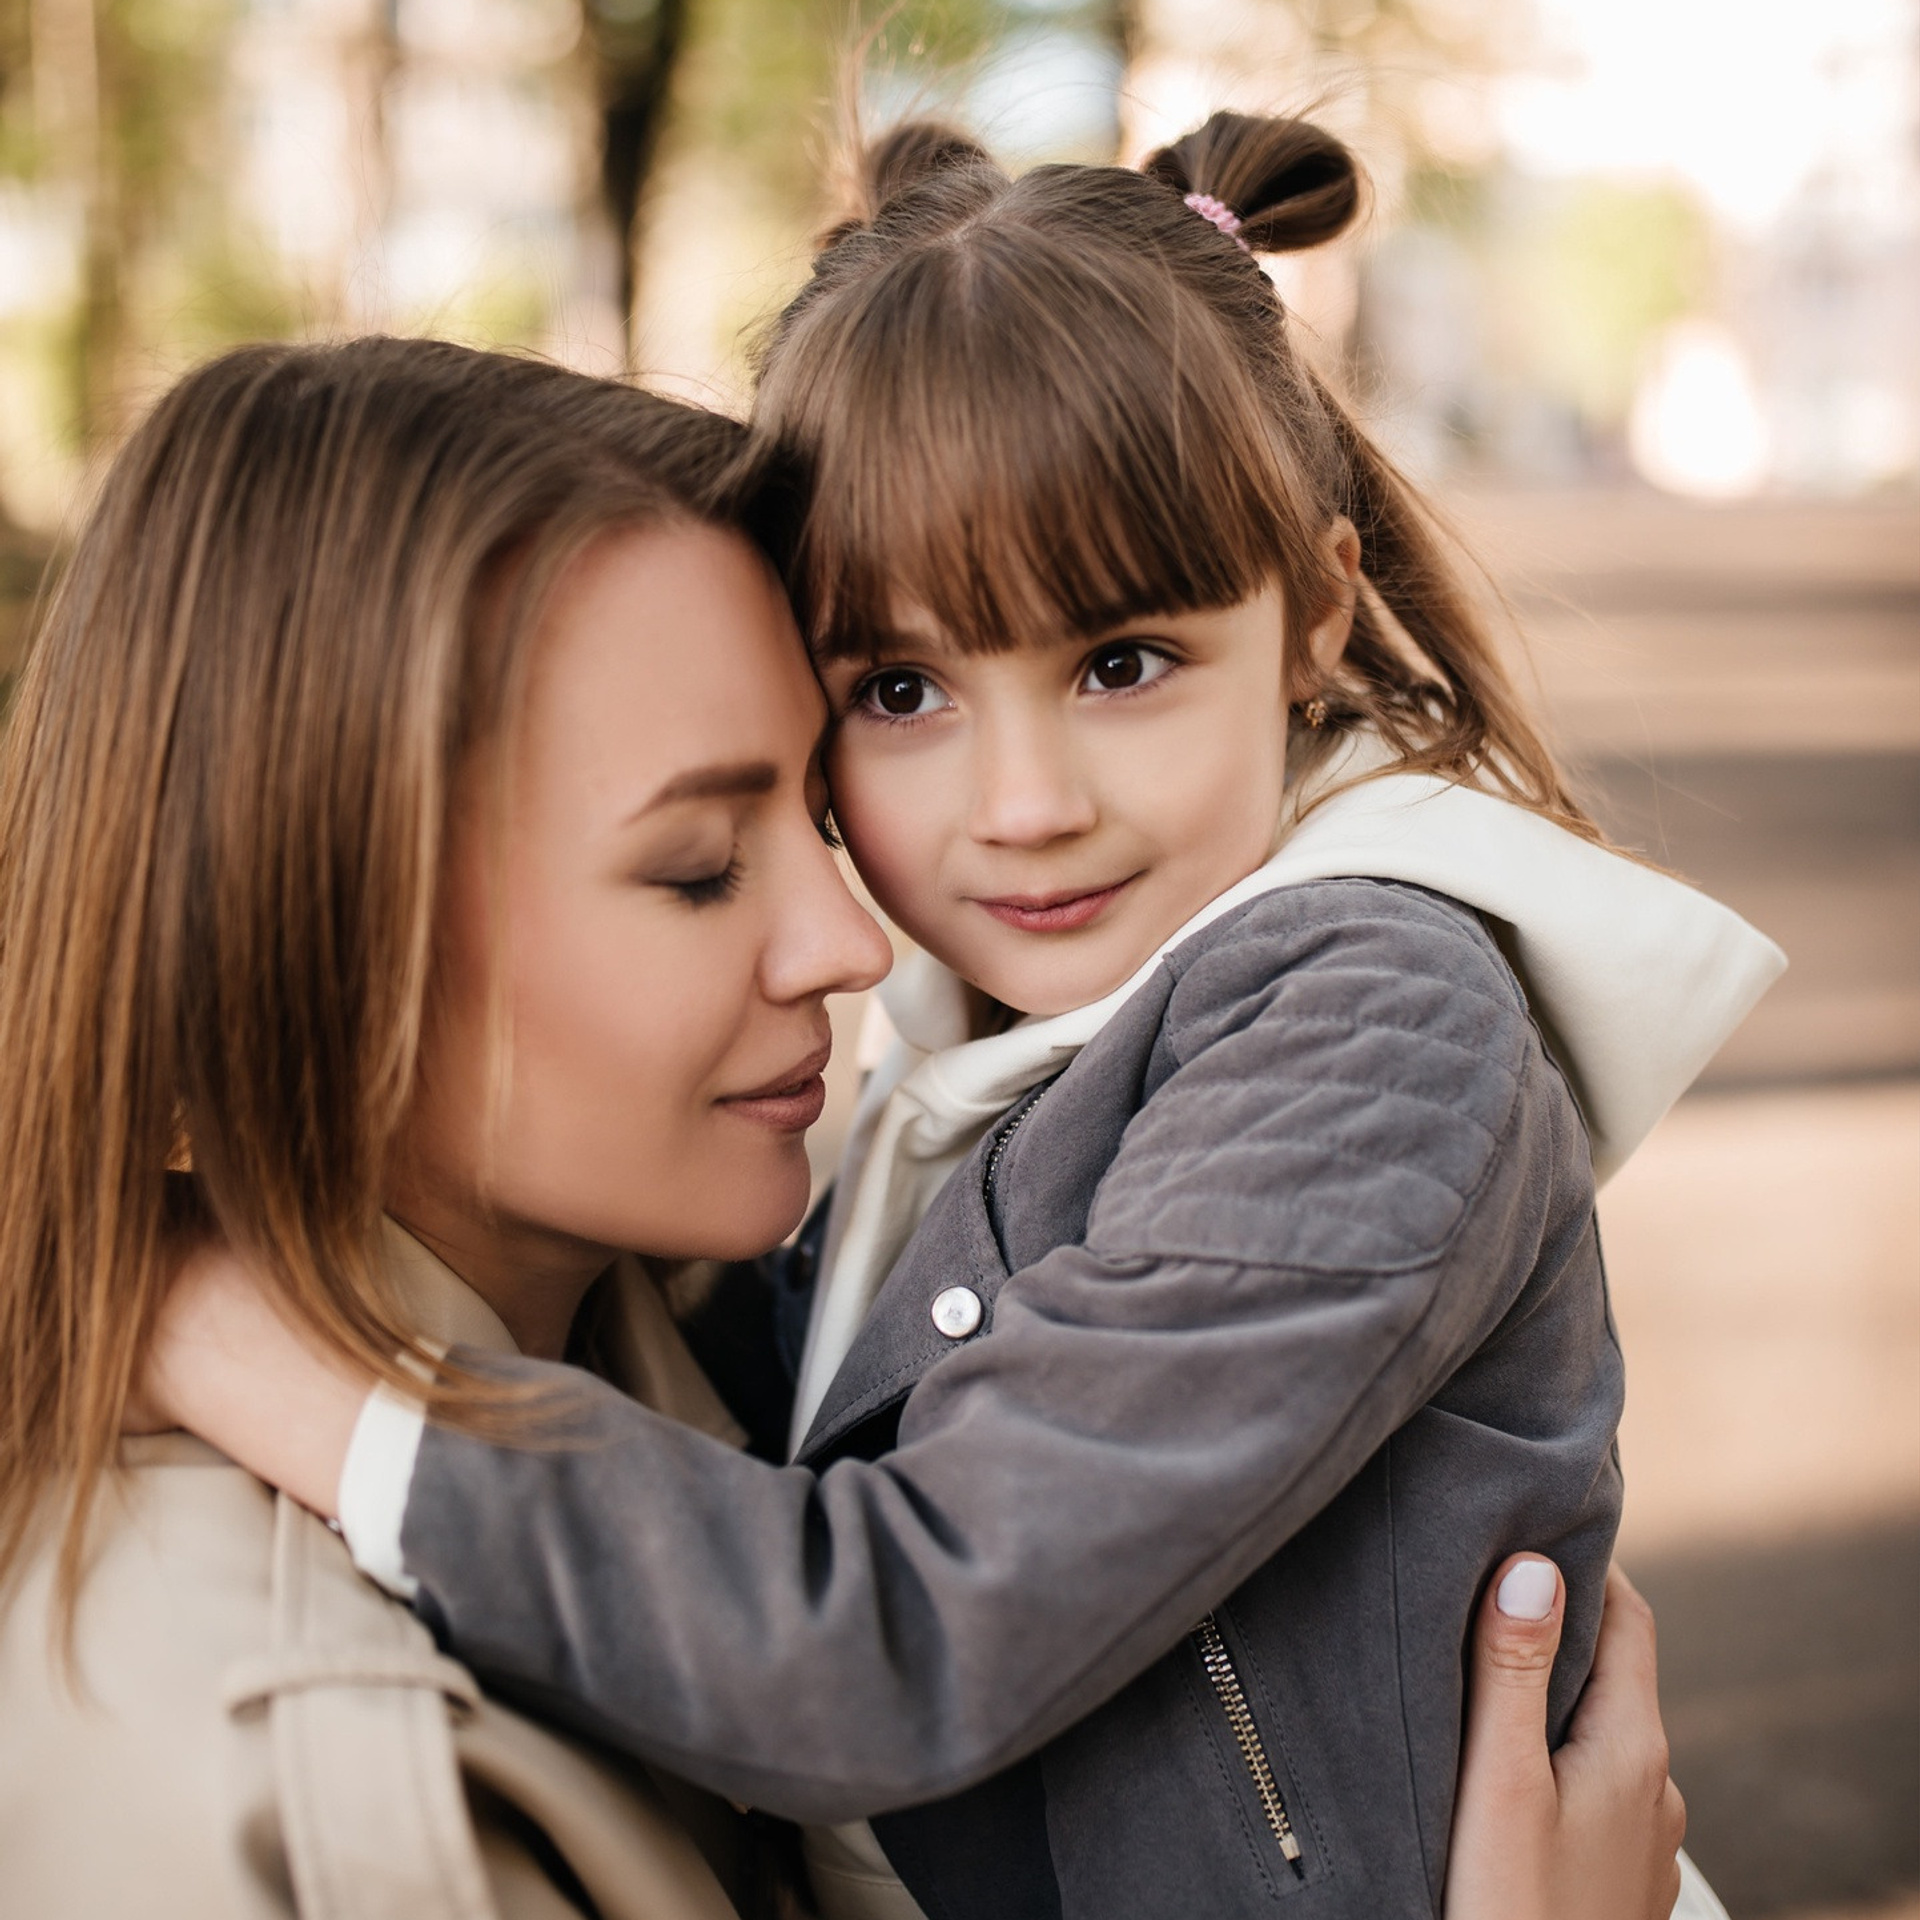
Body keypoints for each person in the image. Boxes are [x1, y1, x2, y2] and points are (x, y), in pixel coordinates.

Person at [148, 118, 1777, 1918]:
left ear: (1317, 615)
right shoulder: (975, 1037)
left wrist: (289, 1374)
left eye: (1122, 665)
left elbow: (898, 1640)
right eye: (904, 690)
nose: (1021, 806)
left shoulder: (1369, 1031)